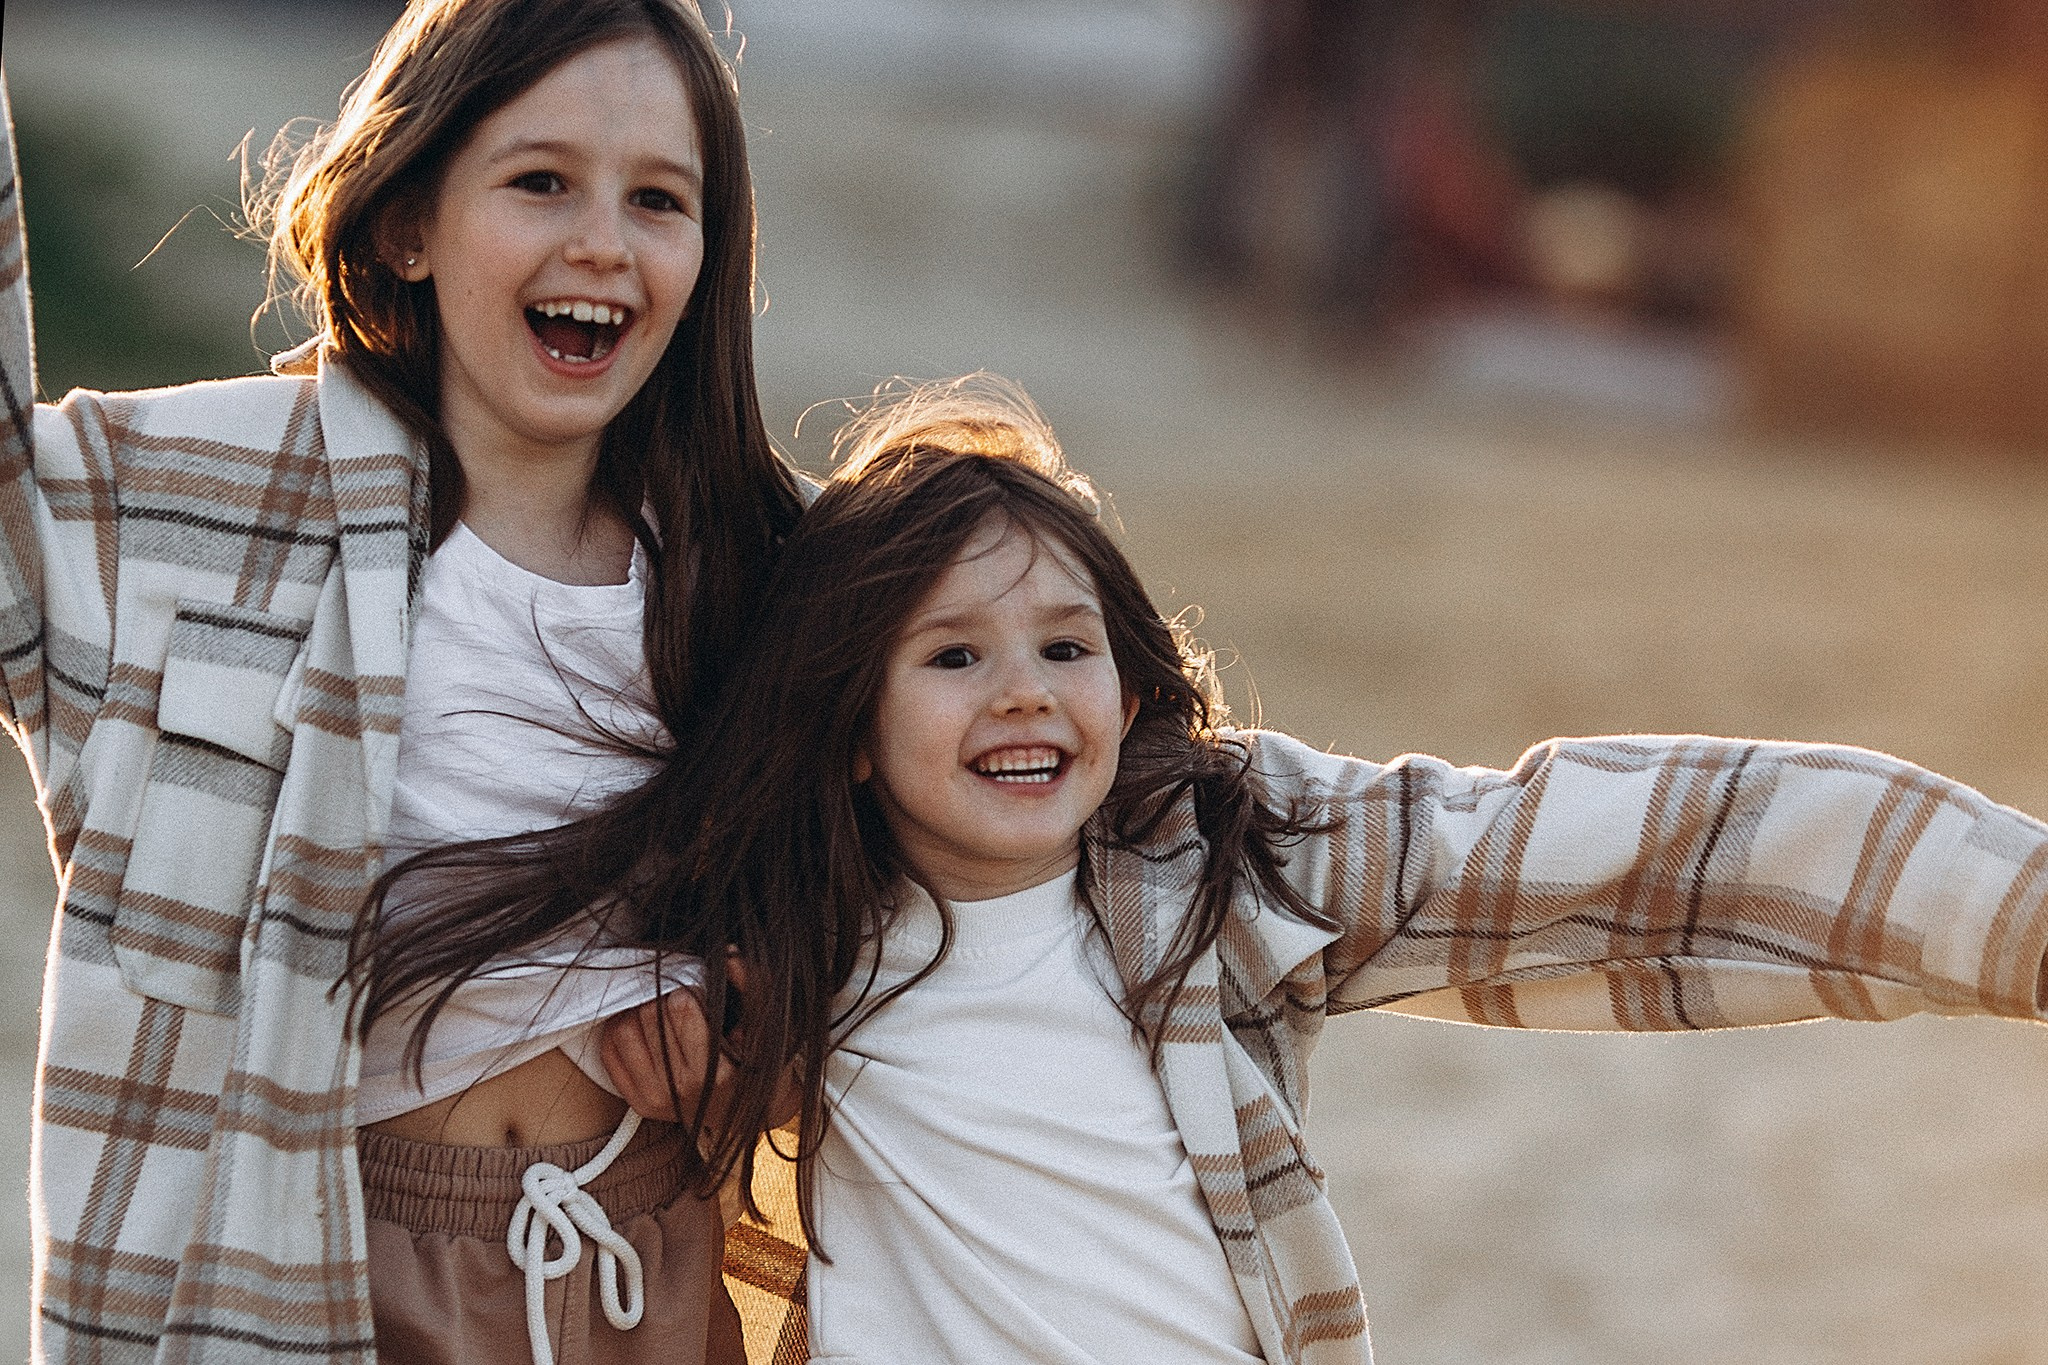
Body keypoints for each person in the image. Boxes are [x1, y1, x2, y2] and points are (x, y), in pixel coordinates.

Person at [572, 377, 2048, 1364]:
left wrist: (2007, 912)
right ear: (845, 725)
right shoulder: (802, 937)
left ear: (1134, 687)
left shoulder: (1219, 865)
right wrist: (715, 1050)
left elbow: (1633, 846)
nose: (1024, 692)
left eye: (1065, 647)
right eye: (954, 654)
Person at [0, 2, 807, 1361]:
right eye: (541, 181)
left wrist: (755, 1046)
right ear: (406, 223)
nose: (602, 240)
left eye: (659, 199)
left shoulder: (762, 572)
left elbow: (926, 904)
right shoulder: (214, 502)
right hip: (325, 1266)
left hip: (645, 1268)